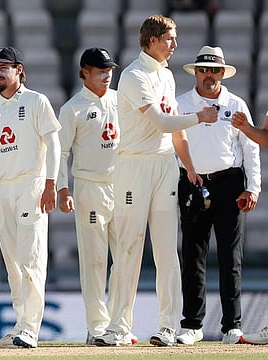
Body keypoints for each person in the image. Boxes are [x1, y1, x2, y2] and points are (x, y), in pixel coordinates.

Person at [94, 15, 218, 347]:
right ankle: (118, 327)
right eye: (169, 39)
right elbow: (162, 122)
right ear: (151, 40)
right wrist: (200, 117)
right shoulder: (134, 75)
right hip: (134, 166)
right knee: (129, 247)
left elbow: (174, 131)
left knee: (166, 250)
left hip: (165, 166)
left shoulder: (165, 76)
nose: (174, 45)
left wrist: (189, 166)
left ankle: (167, 326)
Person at [0, 46, 61, 349]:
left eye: (3, 67)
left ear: (19, 70)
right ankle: (21, 323)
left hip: (31, 186)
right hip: (1, 189)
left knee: (31, 259)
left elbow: (54, 144)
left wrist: (51, 184)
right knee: (12, 264)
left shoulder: (37, 101)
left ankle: (30, 328)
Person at [175, 45, 261, 345]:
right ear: (195, 73)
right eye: (203, 69)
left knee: (230, 256)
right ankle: (192, 325)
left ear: (222, 73)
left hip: (229, 183)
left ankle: (231, 326)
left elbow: (250, 145)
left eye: (214, 70)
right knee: (193, 253)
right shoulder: (181, 103)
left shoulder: (236, 104)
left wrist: (253, 187)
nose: (208, 75)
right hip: (193, 181)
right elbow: (173, 142)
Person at [56, 47, 137, 346]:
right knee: (94, 260)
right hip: (90, 186)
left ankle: (120, 324)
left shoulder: (121, 101)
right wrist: (62, 189)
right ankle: (97, 327)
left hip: (123, 185)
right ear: (83, 73)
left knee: (126, 257)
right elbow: (60, 152)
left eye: (109, 70)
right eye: (100, 70)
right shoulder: (73, 108)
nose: (107, 75)